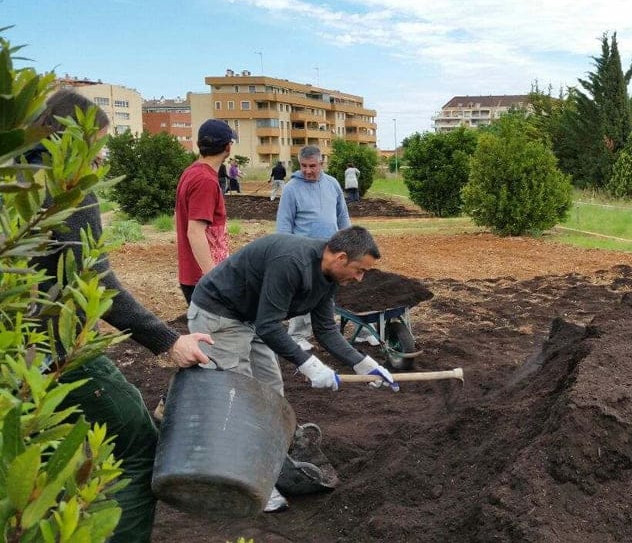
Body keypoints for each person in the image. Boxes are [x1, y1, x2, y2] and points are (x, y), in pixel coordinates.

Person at [26, 91, 212, 543]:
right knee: (135, 447)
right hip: (58, 352)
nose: (101, 157)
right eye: (99, 144)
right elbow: (92, 278)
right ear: (74, 137)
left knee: (37, 465)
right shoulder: (66, 185)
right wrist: (168, 340)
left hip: (16, 356)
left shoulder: (14, 179)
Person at [186, 226, 399, 512]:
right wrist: (310, 366)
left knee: (271, 392)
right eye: (360, 270)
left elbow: (325, 329)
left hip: (255, 317)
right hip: (220, 314)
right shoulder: (292, 262)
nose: (360, 278)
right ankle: (247, 483)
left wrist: (364, 364)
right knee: (237, 398)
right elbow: (269, 326)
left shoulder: (328, 277)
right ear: (341, 258)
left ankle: (265, 462)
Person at [276, 145, 357, 350]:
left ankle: (334, 330)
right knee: (303, 292)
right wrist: (286, 252)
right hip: (303, 252)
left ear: (321, 163)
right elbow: (284, 224)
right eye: (303, 166)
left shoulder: (332, 184)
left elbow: (342, 215)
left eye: (312, 166)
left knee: (333, 290)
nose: (307, 170)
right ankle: (297, 335)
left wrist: (350, 242)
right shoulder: (291, 188)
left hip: (332, 249)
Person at [175, 119, 233, 306]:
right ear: (228, 147)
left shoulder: (191, 172)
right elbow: (195, 231)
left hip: (197, 277)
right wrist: (213, 279)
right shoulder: (205, 180)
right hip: (204, 279)